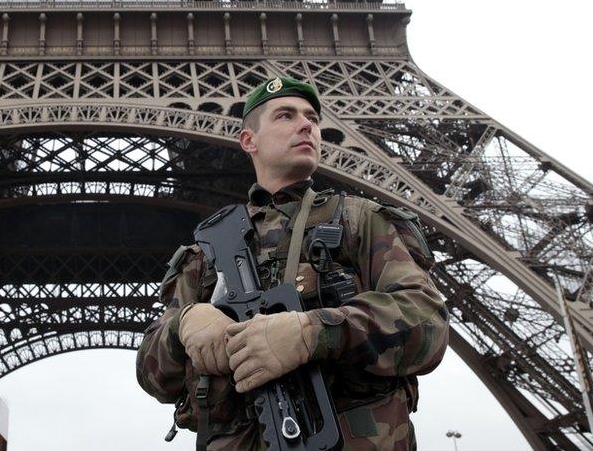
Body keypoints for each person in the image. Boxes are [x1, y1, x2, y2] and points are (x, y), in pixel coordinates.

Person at [136, 76, 449, 450]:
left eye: (313, 118)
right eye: (285, 115)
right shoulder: (206, 254)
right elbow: (152, 376)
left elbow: (428, 321)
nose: (307, 125)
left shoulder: (361, 221)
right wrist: (182, 326)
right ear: (248, 140)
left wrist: (313, 332)